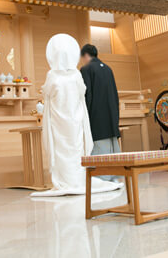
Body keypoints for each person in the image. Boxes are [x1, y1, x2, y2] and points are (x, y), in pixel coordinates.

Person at [32, 34, 121, 197]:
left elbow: (47, 93)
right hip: (77, 118)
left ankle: (67, 180)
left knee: (62, 150)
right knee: (76, 149)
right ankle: (85, 178)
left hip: (60, 121)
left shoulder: (53, 75)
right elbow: (83, 93)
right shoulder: (79, 74)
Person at [80, 44, 120, 157]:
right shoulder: (108, 69)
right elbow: (115, 94)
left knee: (100, 154)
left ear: (85, 55)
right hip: (111, 119)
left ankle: (103, 174)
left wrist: (83, 118)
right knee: (114, 154)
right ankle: (116, 173)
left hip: (97, 120)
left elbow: (86, 95)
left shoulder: (86, 69)